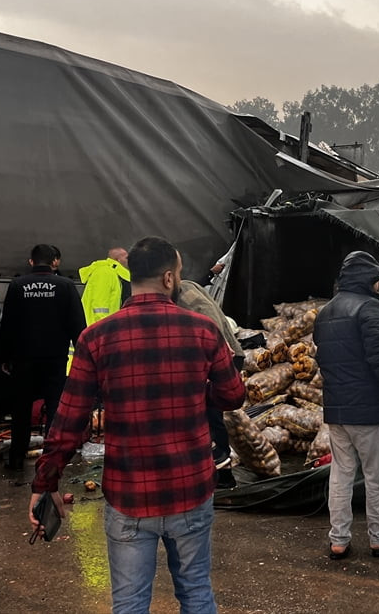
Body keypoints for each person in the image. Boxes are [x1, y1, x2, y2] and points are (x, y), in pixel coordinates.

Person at [29, 236, 244, 613]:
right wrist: (196, 392)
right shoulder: (203, 330)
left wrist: (45, 481)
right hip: (190, 489)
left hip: (129, 495)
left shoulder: (95, 338)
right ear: (167, 278)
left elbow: (68, 420)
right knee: (196, 592)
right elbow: (233, 396)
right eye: (177, 274)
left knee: (129, 602)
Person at [314, 250, 379, 560]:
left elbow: (323, 359)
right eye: (377, 279)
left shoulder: (325, 312)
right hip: (367, 409)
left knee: (341, 473)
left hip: (337, 408)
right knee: (376, 474)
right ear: (365, 280)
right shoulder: (369, 309)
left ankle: (339, 541)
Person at [0, 244, 85, 470]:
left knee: (21, 409)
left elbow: (7, 324)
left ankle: (16, 458)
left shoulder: (17, 285)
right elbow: (77, 324)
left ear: (31, 261)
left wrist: (5, 356)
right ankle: (52, 459)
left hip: (23, 359)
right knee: (55, 407)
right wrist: (84, 357)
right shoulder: (65, 285)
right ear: (55, 261)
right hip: (54, 359)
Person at [174, 279, 246, 490]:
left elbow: (208, 316)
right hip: (214, 357)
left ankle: (222, 476)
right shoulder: (183, 288)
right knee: (206, 415)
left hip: (220, 357)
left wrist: (218, 349)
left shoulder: (184, 293)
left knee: (210, 417)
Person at [78, 247, 131, 326]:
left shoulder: (114, 274)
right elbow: (99, 306)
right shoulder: (105, 272)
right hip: (97, 329)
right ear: (117, 260)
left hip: (100, 327)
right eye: (126, 257)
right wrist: (104, 329)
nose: (129, 260)